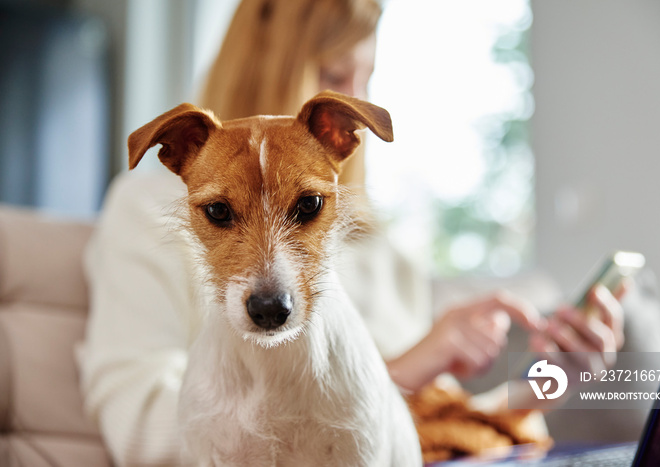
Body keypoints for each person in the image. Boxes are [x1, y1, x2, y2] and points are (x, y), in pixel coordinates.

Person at [79, 0, 627, 465]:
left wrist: (548, 383)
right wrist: (399, 370)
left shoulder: (381, 247)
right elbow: (142, 426)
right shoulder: (150, 206)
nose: (358, 102)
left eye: (309, 208)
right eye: (338, 75)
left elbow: (428, 429)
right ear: (268, 61)